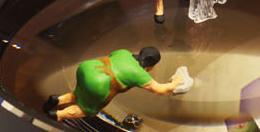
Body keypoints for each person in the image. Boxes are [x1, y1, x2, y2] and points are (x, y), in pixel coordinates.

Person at [44, 46, 184, 120]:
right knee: (86, 108)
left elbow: (111, 57)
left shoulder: (124, 52)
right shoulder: (140, 74)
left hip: (87, 67)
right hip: (99, 84)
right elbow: (159, 89)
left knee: (80, 93)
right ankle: (58, 115)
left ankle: (57, 100)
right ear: (151, 65)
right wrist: (175, 83)